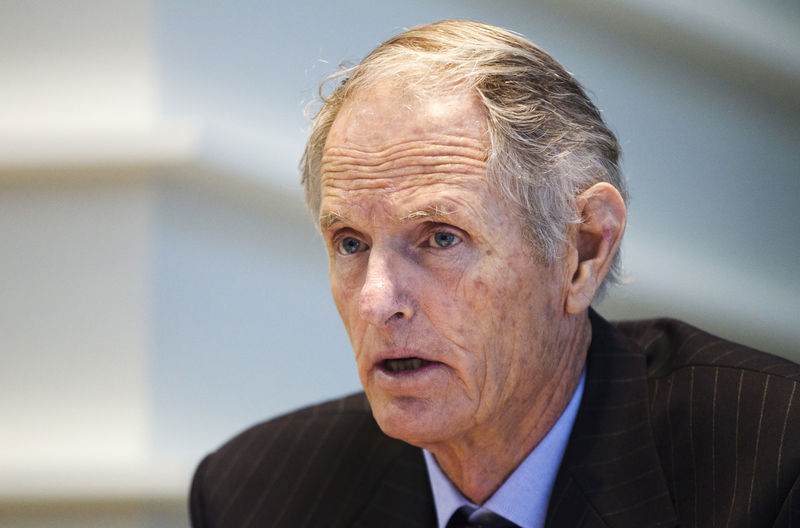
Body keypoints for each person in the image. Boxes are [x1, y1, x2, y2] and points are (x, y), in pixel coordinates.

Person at [189, 20, 800, 528]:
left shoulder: (773, 458)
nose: (377, 301)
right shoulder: (252, 496)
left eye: (441, 238)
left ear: (583, 250)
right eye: (350, 243)